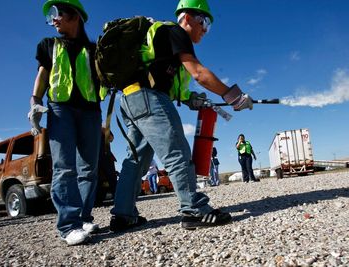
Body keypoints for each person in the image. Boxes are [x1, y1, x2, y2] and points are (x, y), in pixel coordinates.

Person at [109, 0, 254, 231]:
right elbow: (198, 73)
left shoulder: (164, 39)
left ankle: (123, 215)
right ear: (187, 17)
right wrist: (233, 96)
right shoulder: (176, 32)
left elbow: (166, 79)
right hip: (149, 98)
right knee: (177, 151)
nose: (205, 29)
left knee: (136, 160)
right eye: (203, 21)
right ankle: (194, 210)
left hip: (130, 99)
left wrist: (189, 98)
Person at [27, 0, 101, 245]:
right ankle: (68, 226)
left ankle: (83, 217)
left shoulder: (93, 49)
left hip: (90, 110)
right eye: (51, 16)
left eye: (58, 13)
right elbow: (43, 74)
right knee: (64, 166)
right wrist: (35, 101)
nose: (54, 19)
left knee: (89, 168)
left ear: (75, 16)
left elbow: (106, 76)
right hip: (60, 109)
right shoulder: (48, 44)